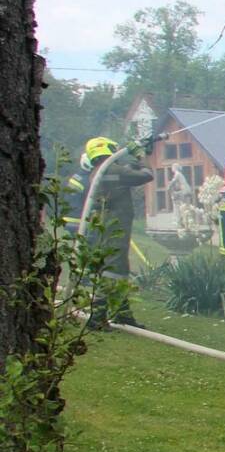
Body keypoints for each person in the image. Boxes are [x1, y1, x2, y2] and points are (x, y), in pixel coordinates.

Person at [79, 136, 155, 328]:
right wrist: (140, 155)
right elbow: (146, 174)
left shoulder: (99, 172)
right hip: (115, 228)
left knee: (118, 268)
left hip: (107, 227)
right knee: (113, 270)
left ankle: (122, 313)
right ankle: (96, 318)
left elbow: (127, 171)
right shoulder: (112, 170)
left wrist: (141, 154)